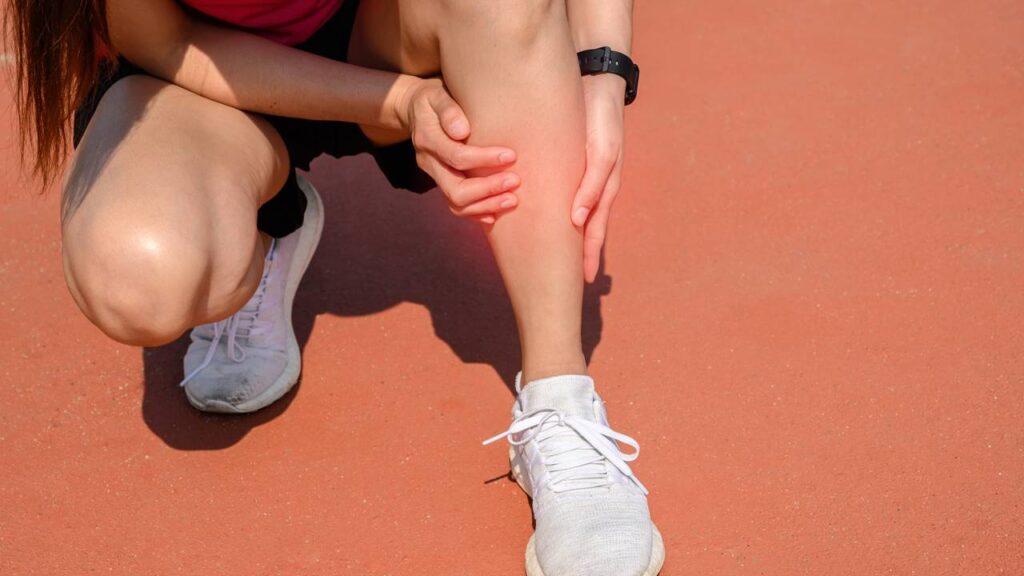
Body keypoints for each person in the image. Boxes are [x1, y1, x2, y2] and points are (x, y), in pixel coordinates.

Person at [6, 0, 663, 573]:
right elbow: (163, 41)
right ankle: (270, 219)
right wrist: (397, 102)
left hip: (390, 28)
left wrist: (602, 71)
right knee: (135, 279)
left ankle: (560, 397)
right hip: (199, 79)